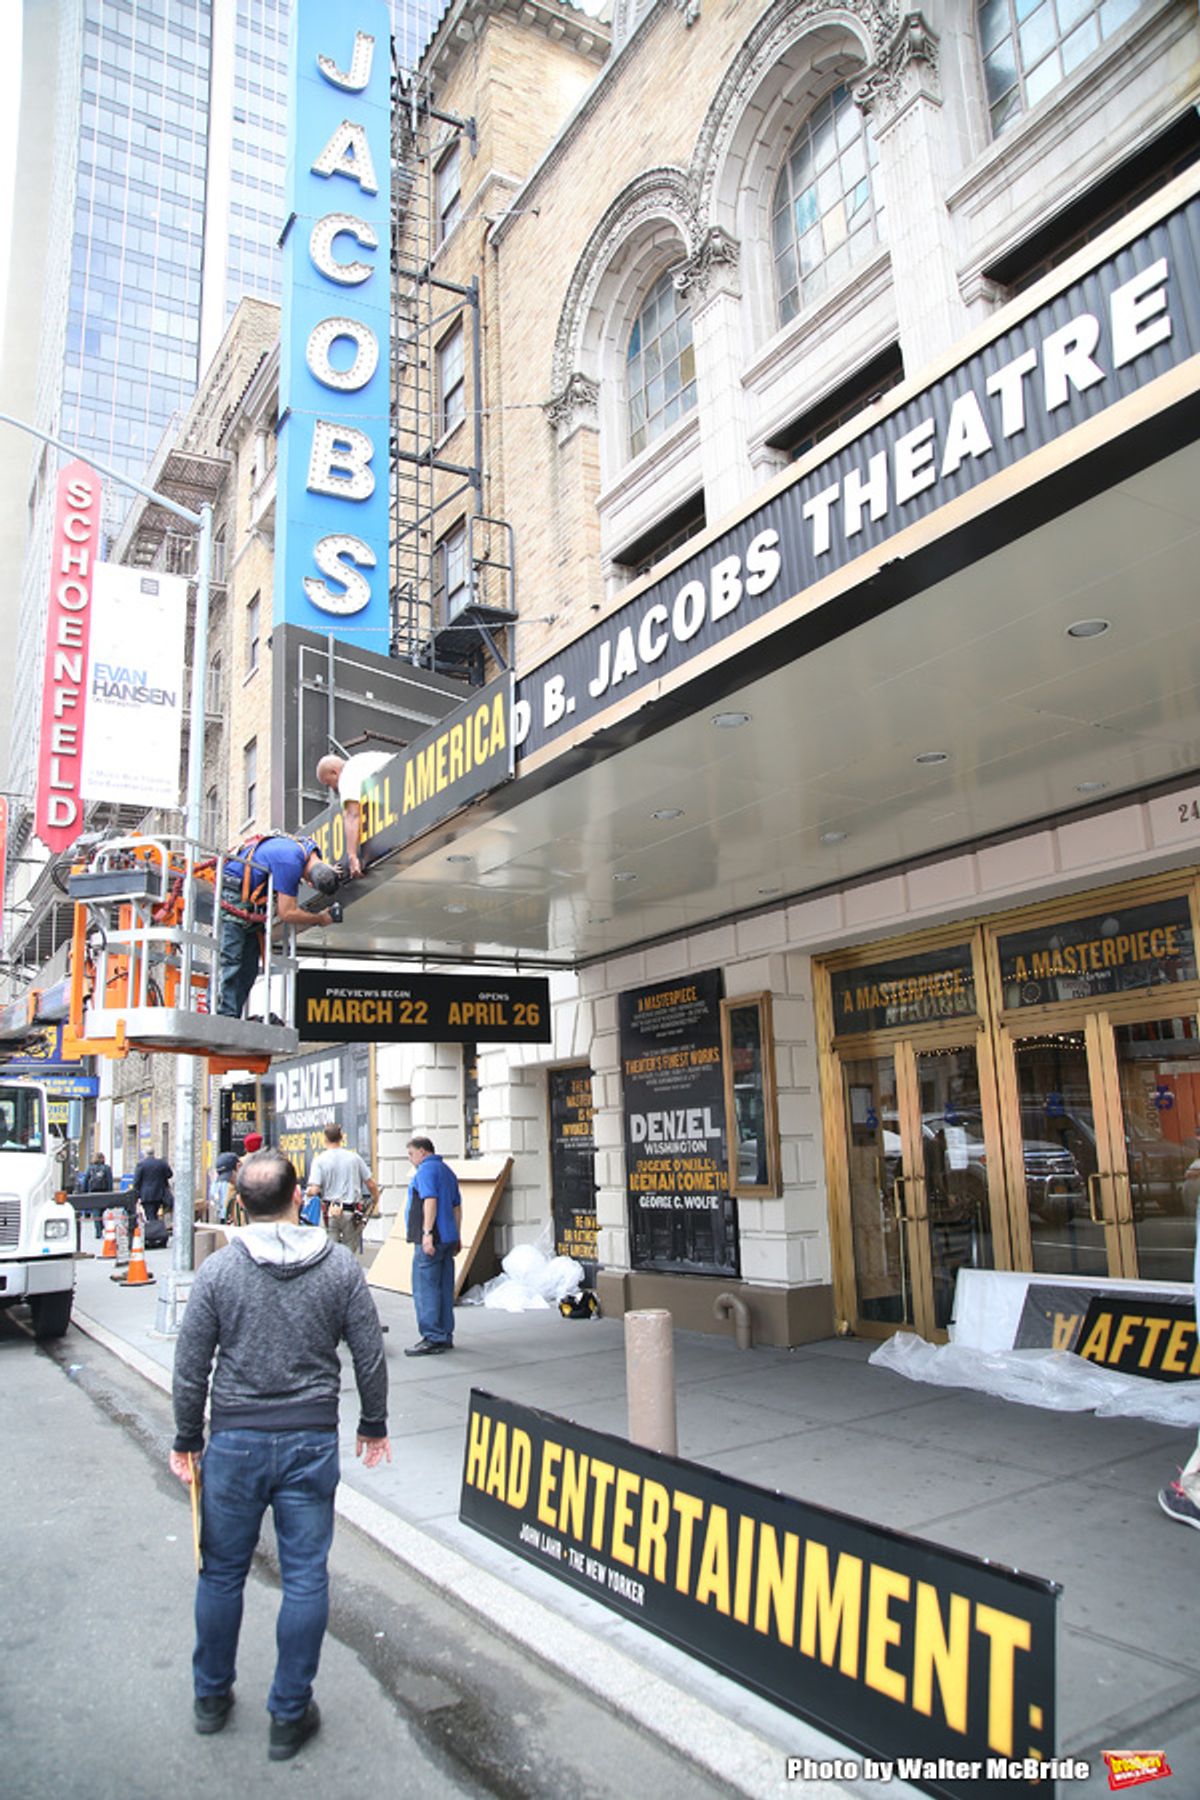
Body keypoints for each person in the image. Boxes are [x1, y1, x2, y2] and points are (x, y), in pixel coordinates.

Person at [169, 1148, 390, 1759]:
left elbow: (191, 1366)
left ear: (240, 1203)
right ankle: (289, 1715)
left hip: (235, 1441)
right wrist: (374, 1423)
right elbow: (368, 1352)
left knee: (220, 1573)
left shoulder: (219, 1272)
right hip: (310, 1440)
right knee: (304, 1577)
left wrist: (187, 1439)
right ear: (300, 1198)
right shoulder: (340, 1267)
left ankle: (211, 1698)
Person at [217, 835, 341, 1020]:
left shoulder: (311, 850)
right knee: (232, 959)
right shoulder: (290, 864)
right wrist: (319, 919)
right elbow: (287, 912)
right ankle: (223, 1016)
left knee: (249, 966)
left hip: (252, 901)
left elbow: (318, 869)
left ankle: (232, 1015)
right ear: (309, 882)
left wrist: (329, 872)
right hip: (235, 893)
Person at [404, 1136, 462, 1357]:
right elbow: (457, 1206)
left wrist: (427, 1233)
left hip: (432, 1238)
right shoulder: (447, 1171)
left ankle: (432, 1336)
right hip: (447, 1238)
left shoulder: (426, 1171)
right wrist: (457, 1235)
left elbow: (430, 1199)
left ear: (423, 1152)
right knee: (445, 1287)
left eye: (411, 1154)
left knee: (425, 1288)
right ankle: (445, 1334)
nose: (410, 1159)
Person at [305, 1123, 380, 1256]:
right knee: (349, 1253)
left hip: (330, 1211)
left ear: (325, 1139)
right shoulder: (354, 1158)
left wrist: (307, 1192)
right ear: (341, 1138)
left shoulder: (320, 1160)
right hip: (351, 1211)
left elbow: (315, 1189)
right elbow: (371, 1184)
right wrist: (375, 1200)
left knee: (330, 1253)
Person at [315, 752, 392, 879]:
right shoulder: (360, 760)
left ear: (335, 772)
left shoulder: (347, 775)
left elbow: (352, 814)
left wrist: (352, 856)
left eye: (329, 783)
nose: (332, 788)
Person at [131, 1149, 173, 1223]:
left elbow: (136, 1181)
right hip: (160, 1194)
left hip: (147, 1195)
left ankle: (154, 1231)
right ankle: (156, 1229)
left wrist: (135, 1194)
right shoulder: (162, 1163)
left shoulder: (141, 1164)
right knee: (155, 1213)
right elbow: (169, 1174)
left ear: (145, 1154)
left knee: (150, 1215)